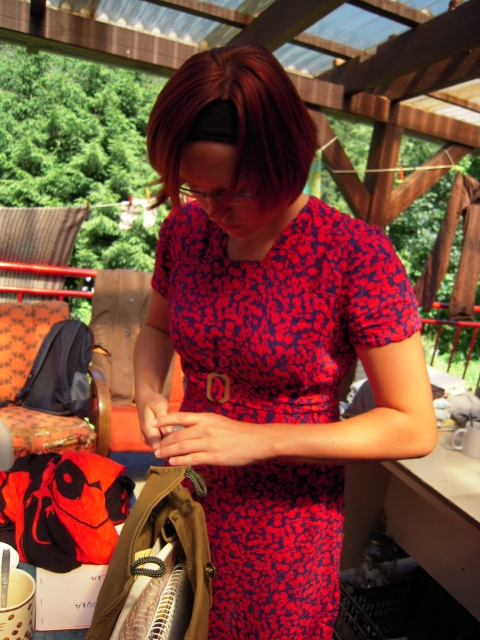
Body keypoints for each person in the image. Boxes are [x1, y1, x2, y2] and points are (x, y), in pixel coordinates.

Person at [133, 44, 437, 640]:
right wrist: (147, 393)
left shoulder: (354, 255)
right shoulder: (185, 232)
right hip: (188, 494)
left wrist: (261, 439)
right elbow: (157, 329)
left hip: (285, 527)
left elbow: (413, 426)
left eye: (236, 190)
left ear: (283, 159)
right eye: (196, 190)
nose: (213, 210)